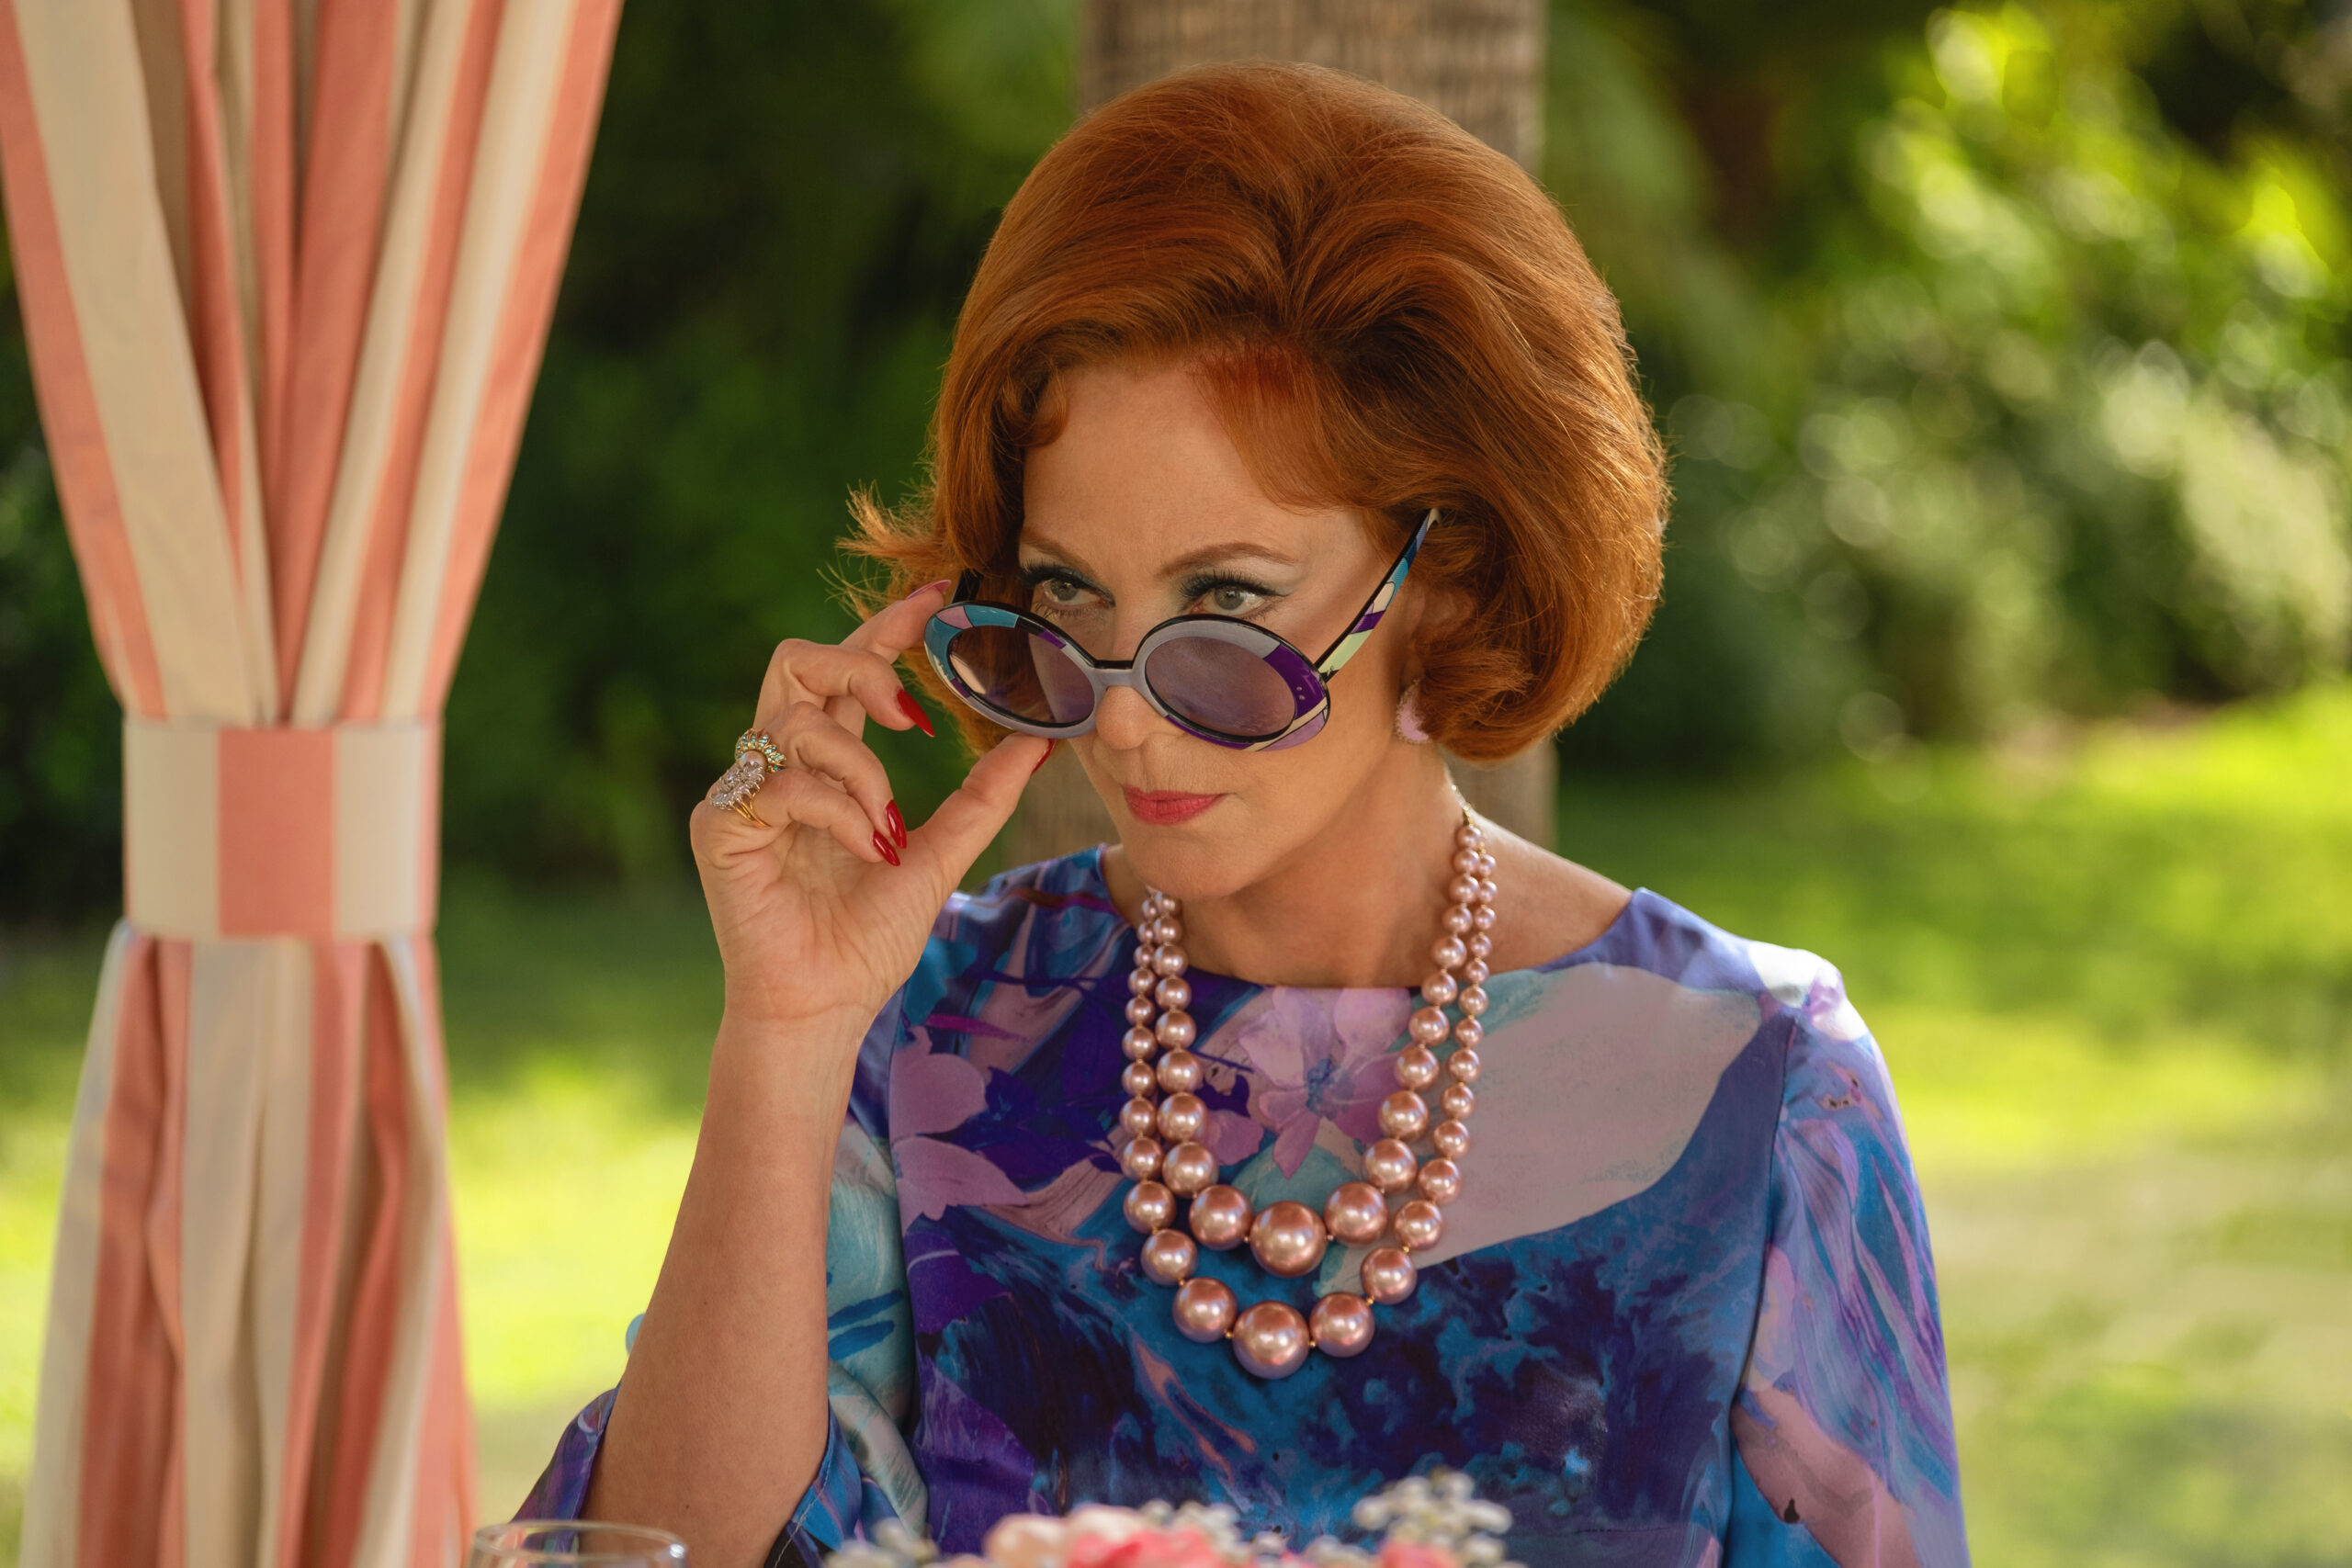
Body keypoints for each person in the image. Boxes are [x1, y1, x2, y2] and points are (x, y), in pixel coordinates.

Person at [522, 61, 1968, 1568]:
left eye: (1223, 603)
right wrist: (786, 1031)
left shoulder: (1762, 1083)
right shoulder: (924, 1031)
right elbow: (643, 1556)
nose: (1121, 717)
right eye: (1069, 594)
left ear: (1450, 575)